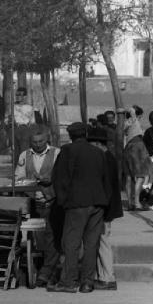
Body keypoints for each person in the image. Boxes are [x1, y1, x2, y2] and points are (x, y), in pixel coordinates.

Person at [49, 122, 111, 293]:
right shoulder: (98, 152)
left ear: (70, 135)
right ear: (85, 134)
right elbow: (106, 180)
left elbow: (59, 178)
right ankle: (87, 282)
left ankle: (69, 281)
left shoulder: (67, 151)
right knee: (92, 244)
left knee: (72, 242)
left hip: (76, 203)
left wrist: (63, 201)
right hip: (97, 203)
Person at [14, 130, 61, 288]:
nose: (38, 144)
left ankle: (46, 272)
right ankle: (42, 271)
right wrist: (31, 182)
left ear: (46, 140)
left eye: (41, 141)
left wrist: (51, 179)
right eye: (35, 142)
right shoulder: (24, 156)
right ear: (30, 142)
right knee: (35, 238)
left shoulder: (56, 153)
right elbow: (18, 178)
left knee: (51, 238)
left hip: (52, 201)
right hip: (33, 202)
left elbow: (62, 176)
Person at [87, 127, 123, 291]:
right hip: (108, 208)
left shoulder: (105, 159)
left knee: (103, 242)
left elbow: (107, 188)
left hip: (105, 209)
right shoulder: (108, 157)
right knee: (102, 241)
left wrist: (103, 208)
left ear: (96, 143)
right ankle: (103, 276)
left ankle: (107, 277)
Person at [122, 106, 153, 211]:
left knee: (129, 177)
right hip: (137, 148)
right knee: (140, 176)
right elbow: (132, 112)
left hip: (128, 149)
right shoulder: (134, 121)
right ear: (139, 116)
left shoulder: (125, 123)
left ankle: (131, 203)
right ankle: (137, 203)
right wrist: (131, 110)